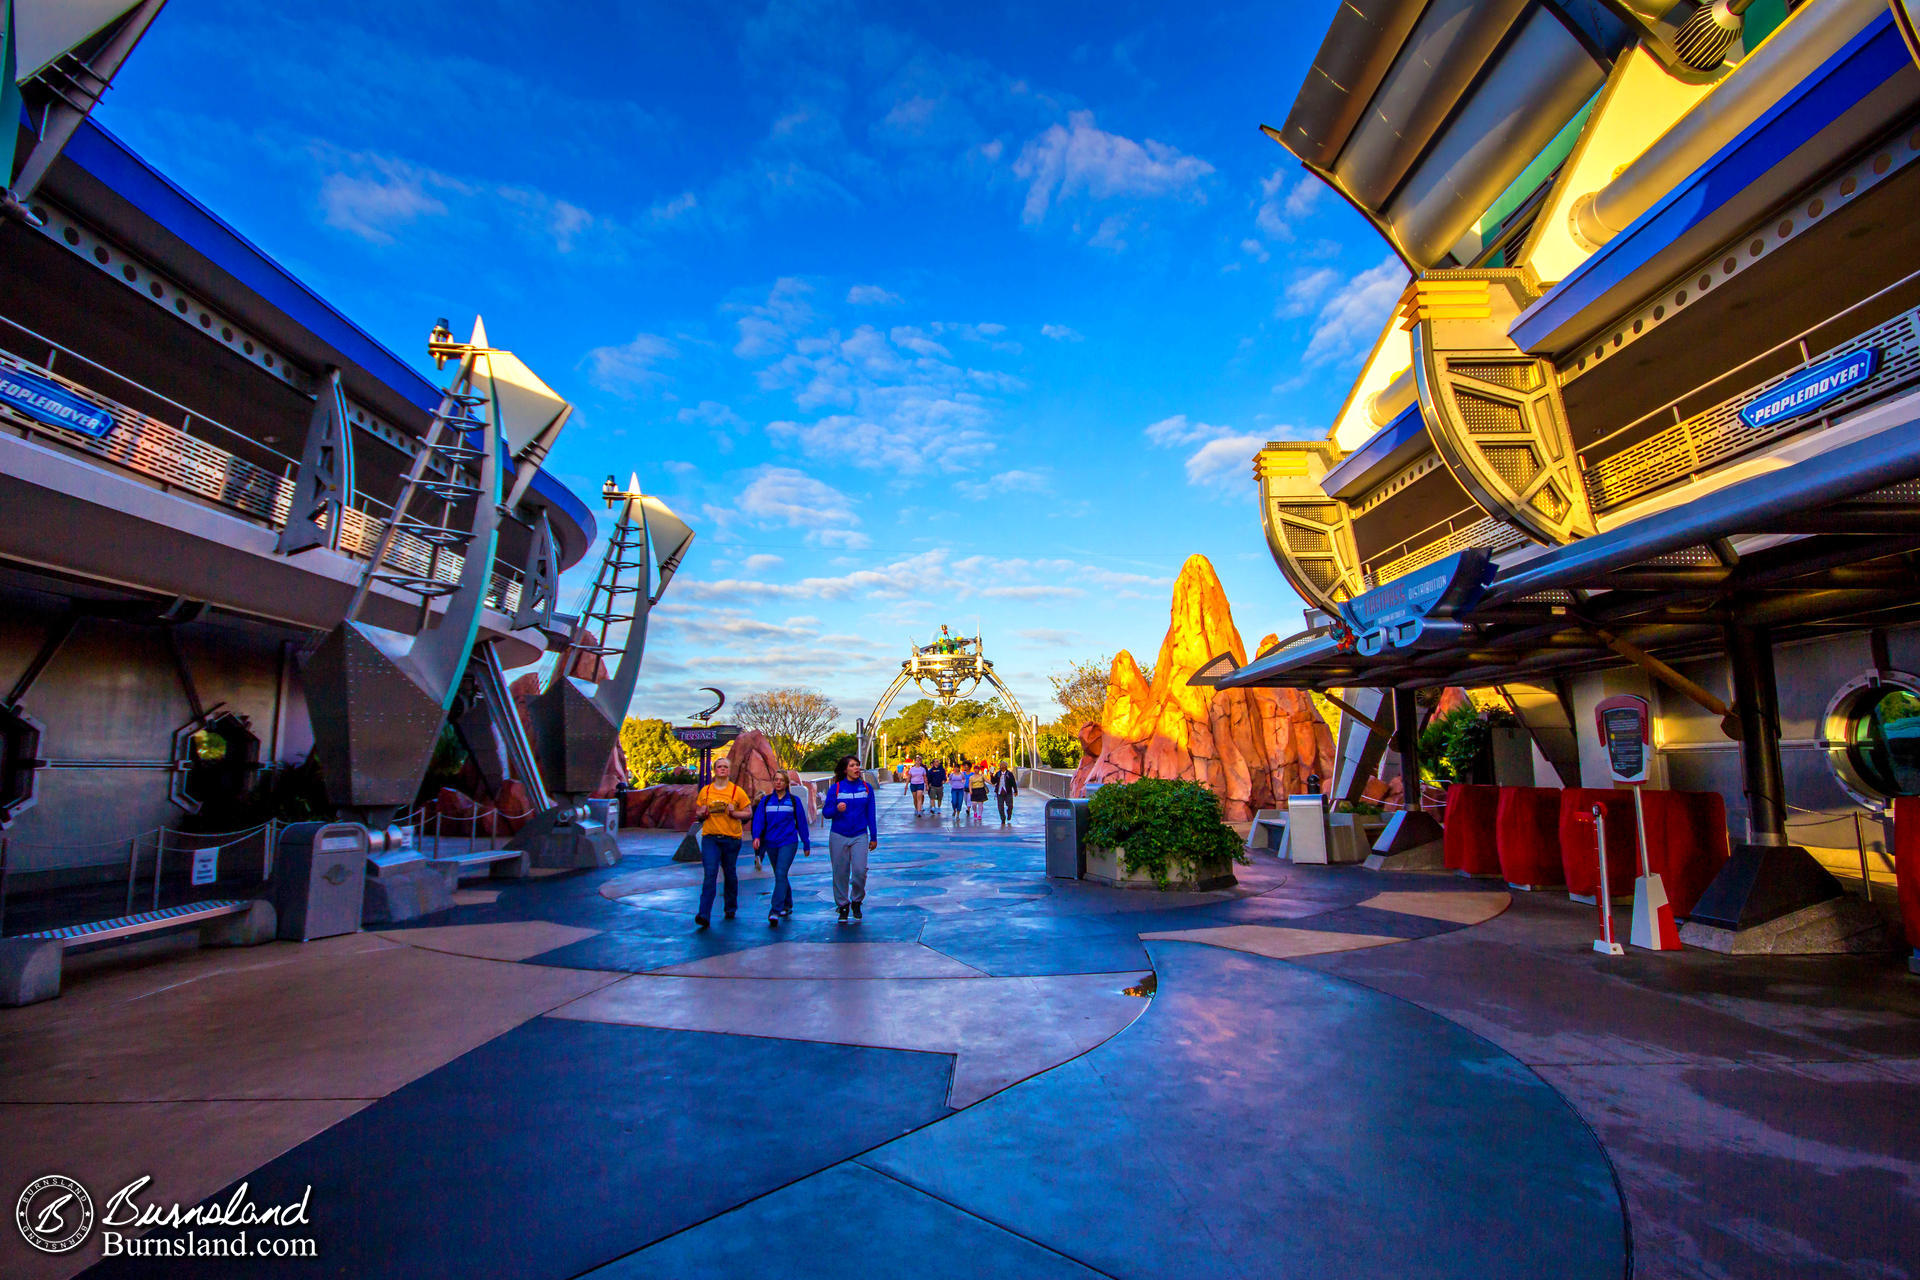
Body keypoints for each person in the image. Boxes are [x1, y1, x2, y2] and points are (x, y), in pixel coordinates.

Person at [693, 758, 752, 927]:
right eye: (719, 766)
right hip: (710, 837)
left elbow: (748, 813)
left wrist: (735, 813)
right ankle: (704, 913)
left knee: (730, 873)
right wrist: (701, 813)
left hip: (731, 838)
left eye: (726, 766)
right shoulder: (706, 791)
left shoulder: (737, 791)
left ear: (729, 770)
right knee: (710, 873)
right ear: (714, 770)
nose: (722, 769)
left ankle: (730, 907)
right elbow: (698, 812)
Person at [820, 756, 879, 921]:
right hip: (839, 834)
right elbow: (826, 813)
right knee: (840, 872)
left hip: (860, 834)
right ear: (845, 769)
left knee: (860, 871)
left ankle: (857, 900)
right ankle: (842, 905)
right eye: (852, 765)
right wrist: (837, 809)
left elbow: (871, 814)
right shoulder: (836, 788)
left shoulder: (866, 788)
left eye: (858, 765)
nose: (856, 768)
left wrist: (873, 836)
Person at [751, 771, 811, 926]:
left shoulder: (793, 801)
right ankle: (787, 903)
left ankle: (775, 910)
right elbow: (758, 820)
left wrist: (806, 843)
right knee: (780, 875)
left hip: (788, 841)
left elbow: (802, 823)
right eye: (775, 780)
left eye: (781, 780)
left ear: (786, 783)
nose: (778, 783)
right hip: (771, 842)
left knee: (780, 872)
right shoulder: (766, 801)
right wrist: (756, 837)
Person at [991, 759, 1018, 825]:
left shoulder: (1009, 774)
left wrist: (1015, 791)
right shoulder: (998, 773)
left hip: (1008, 792)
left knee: (1010, 805)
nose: (1002, 766)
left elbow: (1013, 783)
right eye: (1001, 765)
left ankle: (1009, 814)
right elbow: (993, 781)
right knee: (1000, 806)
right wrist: (991, 775)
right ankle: (1003, 818)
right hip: (1000, 792)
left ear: (1006, 766)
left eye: (1003, 765)